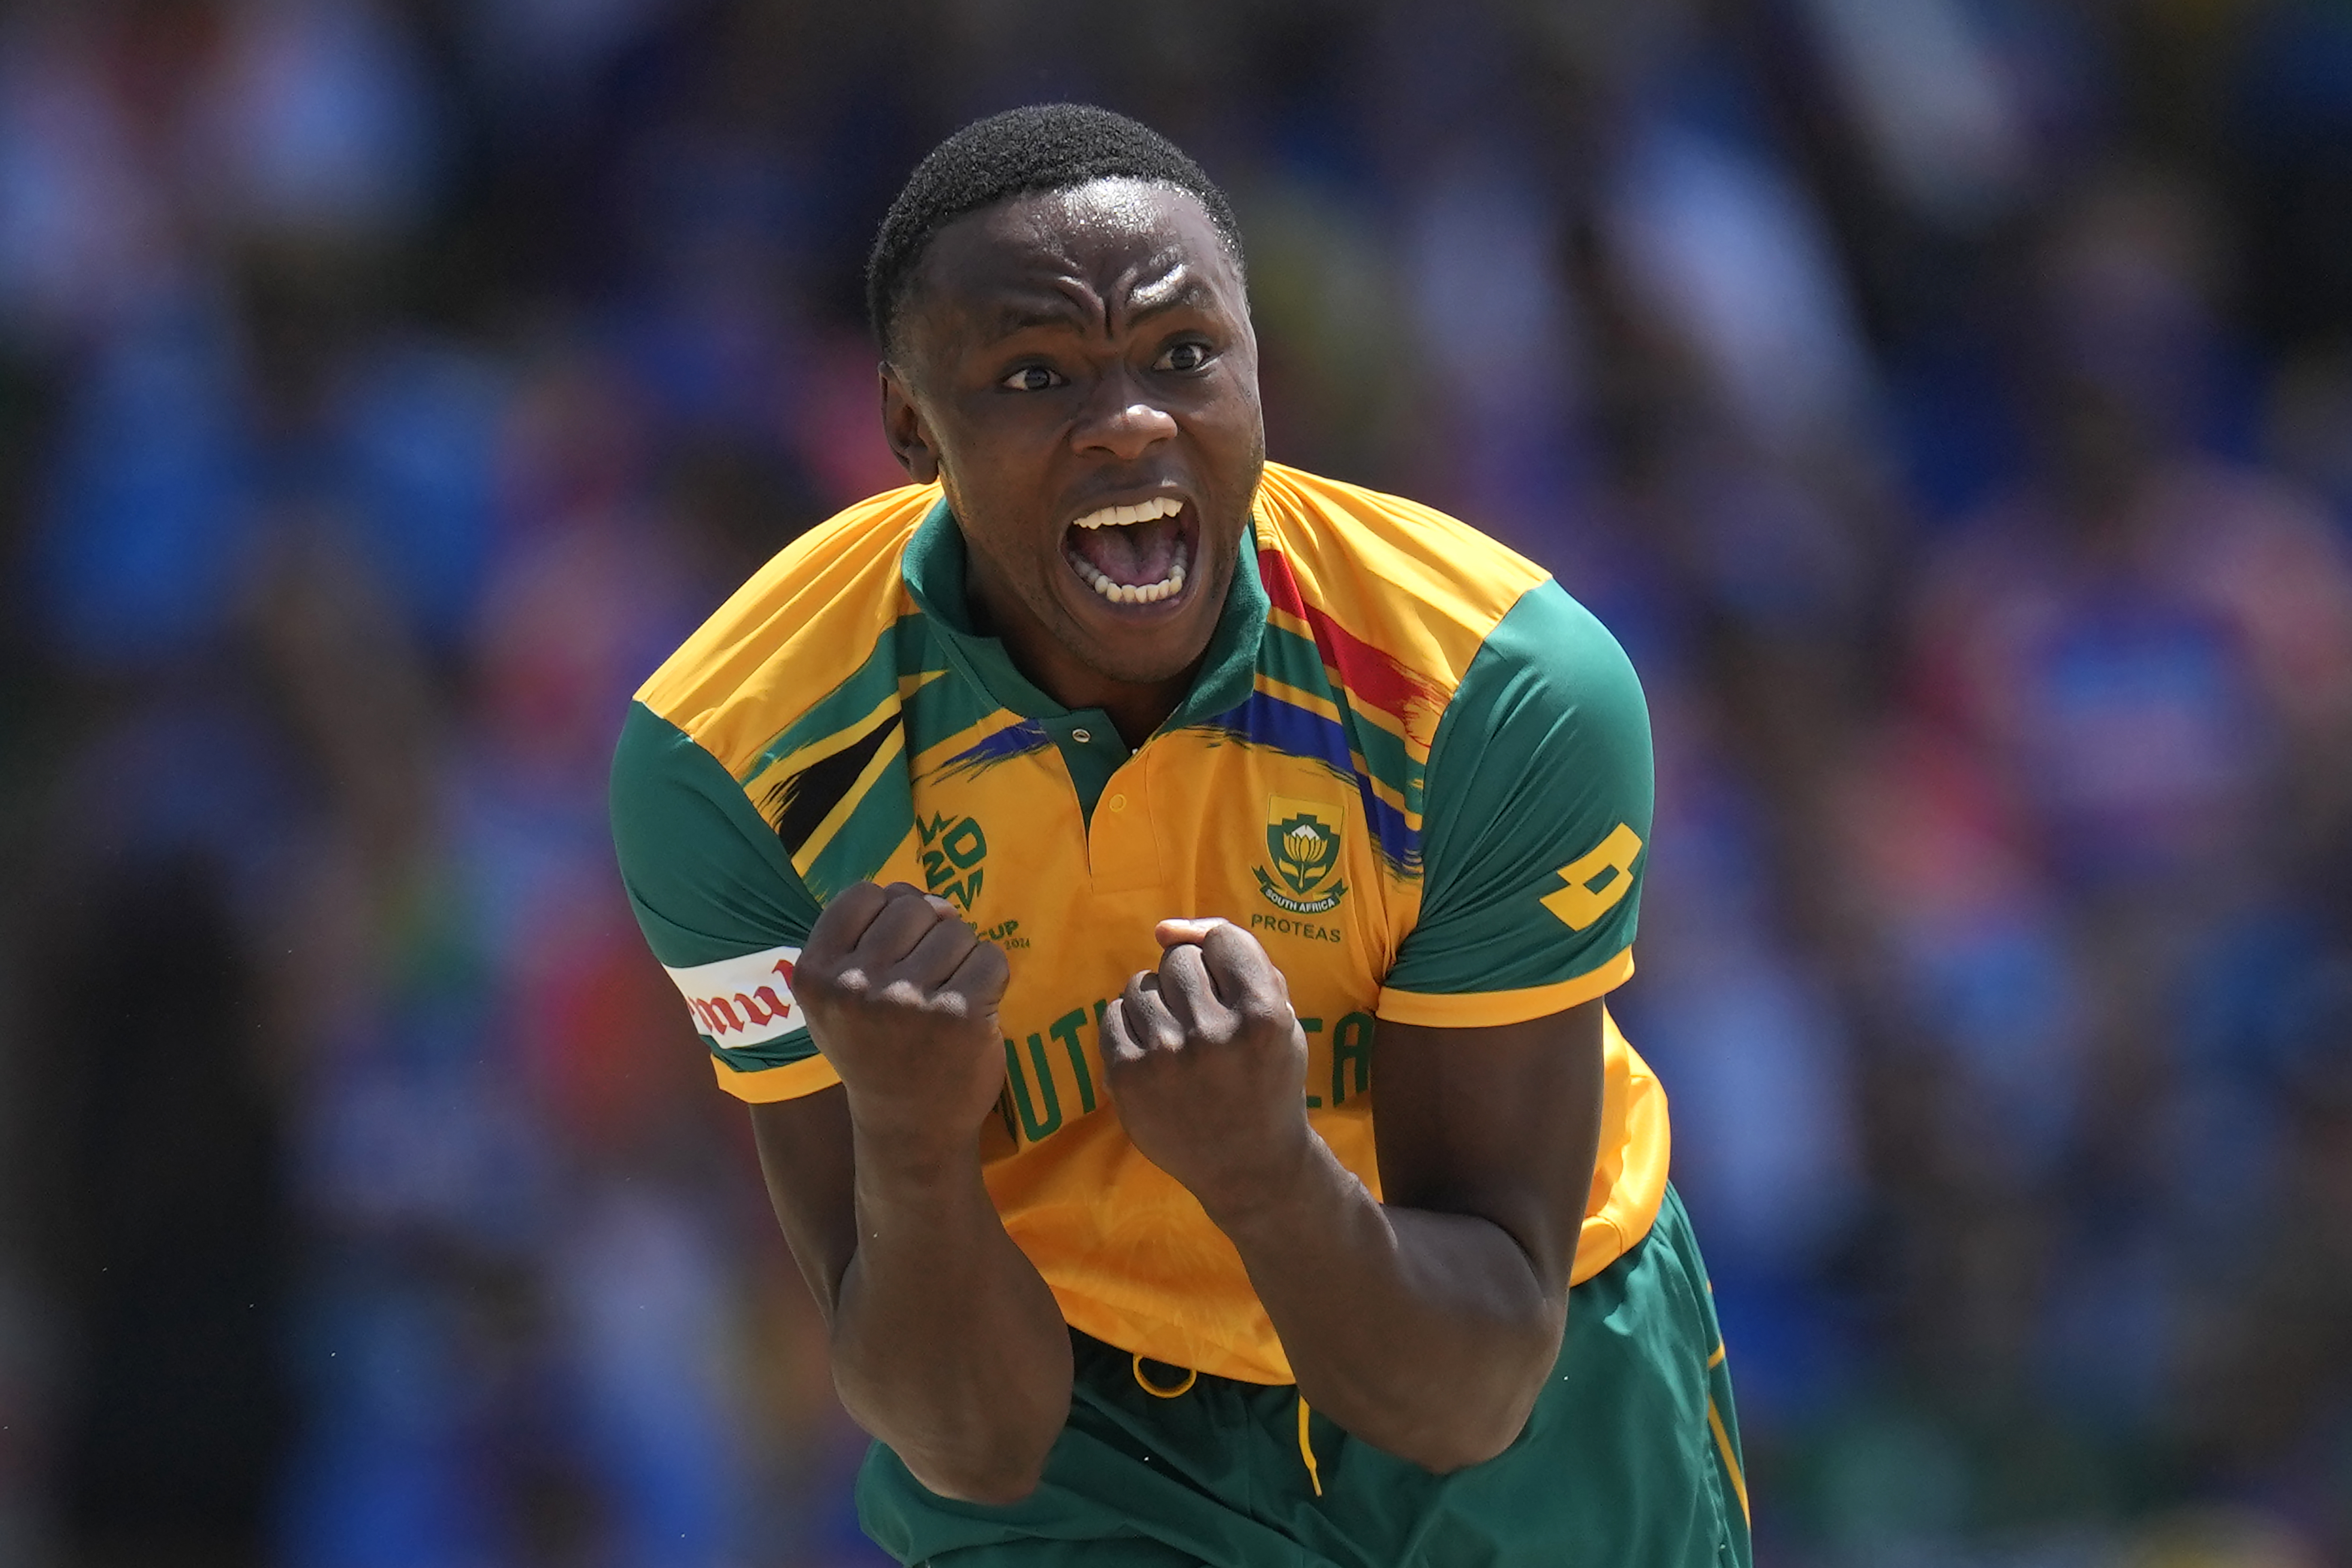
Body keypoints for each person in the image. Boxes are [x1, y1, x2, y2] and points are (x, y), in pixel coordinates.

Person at [610, 102, 1748, 1568]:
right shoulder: (732, 758)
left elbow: (1472, 1386)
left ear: (1261, 373)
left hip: (1526, 1387)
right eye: (1036, 375)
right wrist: (907, 1139)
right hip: (1093, 1438)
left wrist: (1263, 1169)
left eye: (1183, 356)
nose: (1131, 419)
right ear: (908, 425)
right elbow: (967, 1440)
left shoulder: (1498, 686)